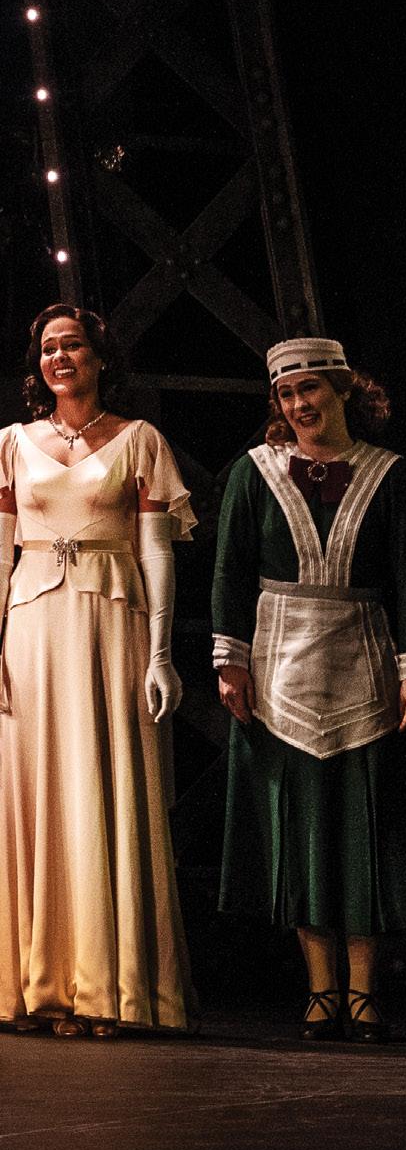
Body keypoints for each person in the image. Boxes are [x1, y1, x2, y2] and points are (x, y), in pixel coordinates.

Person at [212, 336, 406, 1042]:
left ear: (343, 390)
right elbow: (229, 571)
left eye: (310, 388)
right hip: (279, 670)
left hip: (362, 665)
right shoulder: (254, 472)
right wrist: (230, 661)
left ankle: (363, 992)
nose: (298, 404)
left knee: (364, 831)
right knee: (302, 831)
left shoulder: (387, 474)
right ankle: (320, 989)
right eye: (286, 393)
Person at [0, 303, 197, 1037]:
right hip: (33, 625)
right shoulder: (11, 444)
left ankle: (110, 987)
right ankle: (42, 985)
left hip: (113, 622)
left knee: (107, 785)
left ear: (100, 357)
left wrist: (162, 653)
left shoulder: (140, 439)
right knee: (37, 791)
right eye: (48, 346)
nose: (59, 356)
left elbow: (156, 550)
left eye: (73, 344)